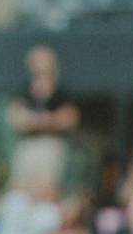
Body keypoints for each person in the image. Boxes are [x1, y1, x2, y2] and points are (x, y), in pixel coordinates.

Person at [7, 45, 79, 190]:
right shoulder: (25, 88)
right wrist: (32, 120)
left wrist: (48, 120)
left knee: (47, 187)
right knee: (20, 187)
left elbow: (70, 118)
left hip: (52, 143)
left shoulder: (61, 89)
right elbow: (15, 116)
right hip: (28, 142)